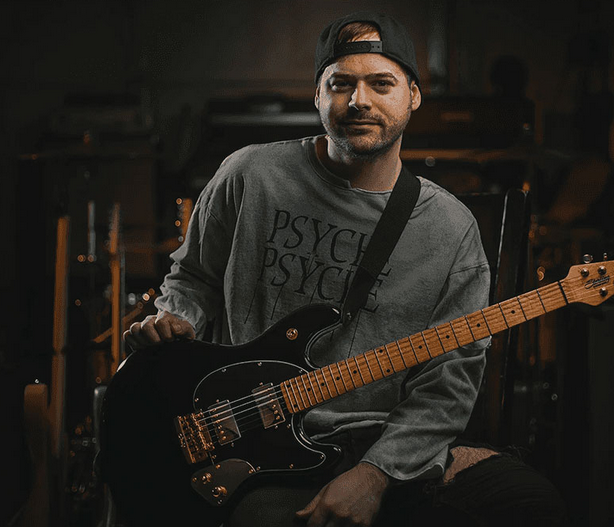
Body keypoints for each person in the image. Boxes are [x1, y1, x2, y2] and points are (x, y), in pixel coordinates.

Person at [124, 11, 566, 527]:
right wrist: (175, 319)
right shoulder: (250, 175)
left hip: (382, 442)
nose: (360, 100)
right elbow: (193, 279)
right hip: (251, 439)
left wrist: (375, 474)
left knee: (531, 505)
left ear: (413, 95)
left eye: (382, 83)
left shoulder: (450, 228)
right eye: (341, 84)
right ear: (318, 94)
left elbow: (450, 379)